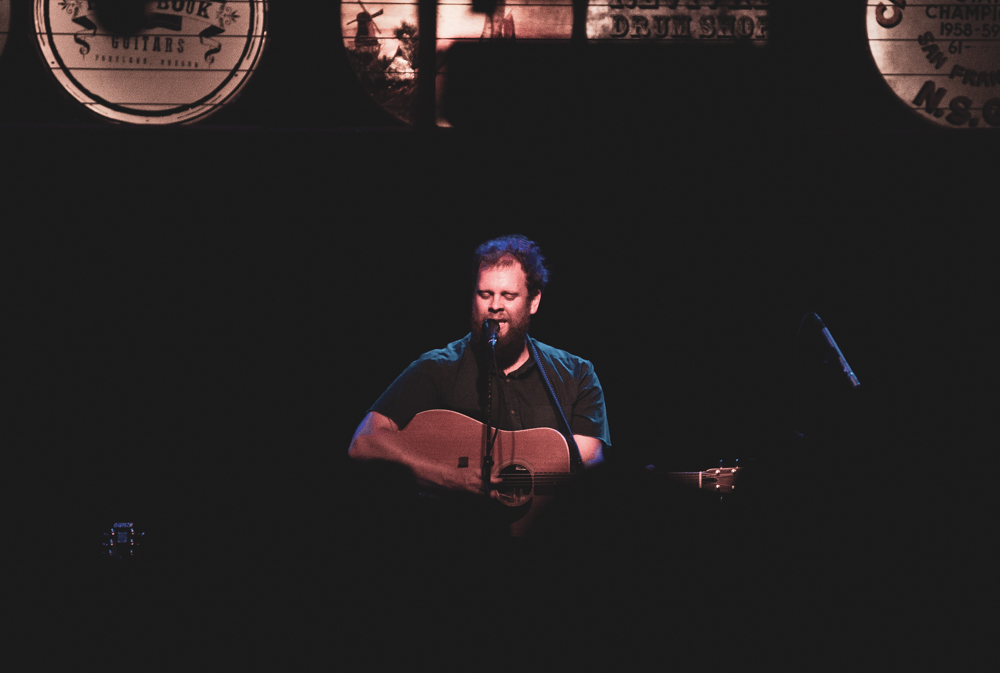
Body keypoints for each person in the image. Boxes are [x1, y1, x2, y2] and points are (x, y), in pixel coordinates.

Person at [348, 235, 611, 499]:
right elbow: (364, 443)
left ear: (533, 301)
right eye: (485, 294)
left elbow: (587, 466)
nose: (494, 306)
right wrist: (449, 478)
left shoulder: (577, 375)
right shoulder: (438, 368)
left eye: (508, 296)